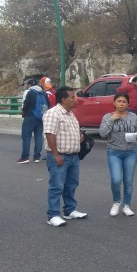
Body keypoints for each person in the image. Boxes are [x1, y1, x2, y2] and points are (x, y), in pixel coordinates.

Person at [43, 86, 88, 227]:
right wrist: (56, 154)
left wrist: (79, 137)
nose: (76, 99)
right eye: (73, 97)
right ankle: (53, 215)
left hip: (73, 156)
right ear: (64, 99)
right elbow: (50, 134)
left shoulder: (70, 114)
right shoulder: (53, 114)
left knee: (71, 185)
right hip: (59, 155)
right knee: (57, 186)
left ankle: (70, 210)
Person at [99, 92, 137, 217]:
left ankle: (127, 205)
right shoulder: (107, 117)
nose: (122, 103)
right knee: (116, 179)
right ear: (114, 103)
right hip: (114, 152)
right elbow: (102, 133)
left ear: (128, 103)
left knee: (128, 181)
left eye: (124, 101)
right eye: (119, 101)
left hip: (130, 152)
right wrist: (112, 120)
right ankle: (116, 202)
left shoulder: (133, 117)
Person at [17, 78, 48, 163]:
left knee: (26, 137)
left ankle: (25, 157)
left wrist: (23, 112)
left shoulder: (30, 92)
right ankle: (37, 157)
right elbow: (47, 104)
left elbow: (26, 104)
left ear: (30, 85)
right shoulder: (43, 93)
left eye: (27, 84)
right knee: (38, 136)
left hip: (30, 117)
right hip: (41, 117)